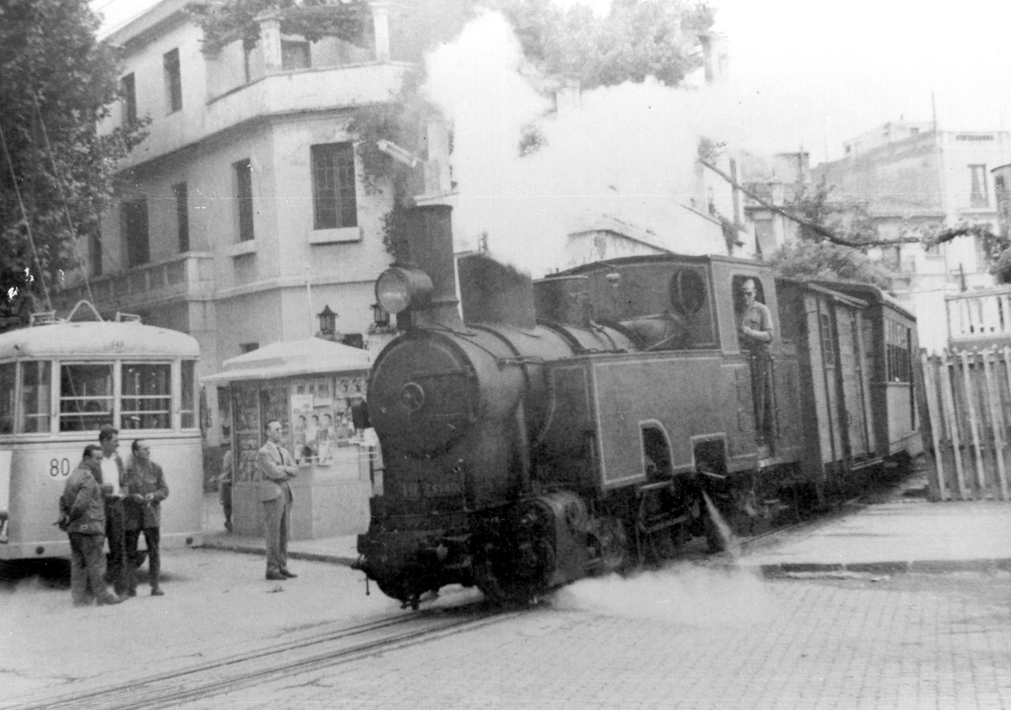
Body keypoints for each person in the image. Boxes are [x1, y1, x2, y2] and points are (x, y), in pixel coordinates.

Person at [59, 445, 125, 606]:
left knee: (78, 564)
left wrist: (66, 518)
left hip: (75, 529)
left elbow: (63, 499)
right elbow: (81, 504)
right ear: (86, 458)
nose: (99, 462)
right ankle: (104, 596)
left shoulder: (74, 475)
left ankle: (79, 599)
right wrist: (71, 517)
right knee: (96, 564)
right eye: (97, 458)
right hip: (90, 526)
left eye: (101, 458)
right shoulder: (88, 477)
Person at [123, 439, 169, 596]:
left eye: (149, 448)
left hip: (151, 516)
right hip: (132, 516)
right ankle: (131, 587)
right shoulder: (127, 470)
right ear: (135, 452)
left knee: (154, 552)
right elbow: (122, 491)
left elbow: (164, 490)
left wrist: (154, 495)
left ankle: (155, 586)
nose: (148, 451)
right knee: (130, 552)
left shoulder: (156, 469)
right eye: (144, 449)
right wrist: (131, 496)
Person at [256, 419, 298, 581]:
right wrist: (285, 470)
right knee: (273, 532)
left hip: (285, 492)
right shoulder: (263, 452)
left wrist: (283, 469)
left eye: (281, 429)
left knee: (284, 532)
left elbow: (295, 470)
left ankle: (282, 566)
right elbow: (274, 473)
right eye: (276, 429)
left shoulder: (283, 451)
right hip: (272, 494)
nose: (280, 432)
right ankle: (272, 568)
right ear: (267, 432)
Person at [739, 278, 774, 443]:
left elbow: (769, 335)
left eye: (749, 293)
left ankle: (760, 434)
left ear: (755, 293)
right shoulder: (739, 311)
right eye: (743, 293)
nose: (746, 297)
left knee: (758, 394)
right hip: (744, 355)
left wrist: (750, 332)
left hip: (759, 355)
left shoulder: (762, 310)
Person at [97, 426, 128, 596]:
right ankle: (98, 591)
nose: (118, 444)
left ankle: (121, 589)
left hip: (117, 506)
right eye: (115, 441)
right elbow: (87, 484)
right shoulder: (95, 460)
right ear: (104, 442)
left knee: (118, 547)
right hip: (101, 506)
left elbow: (124, 480)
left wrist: (124, 489)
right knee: (98, 549)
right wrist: (102, 489)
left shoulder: (118, 460)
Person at [218, 443, 233, 532]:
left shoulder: (228, 454)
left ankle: (228, 520)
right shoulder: (229, 454)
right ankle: (228, 520)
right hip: (226, 481)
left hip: (225, 481)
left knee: (226, 502)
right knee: (225, 501)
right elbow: (226, 468)